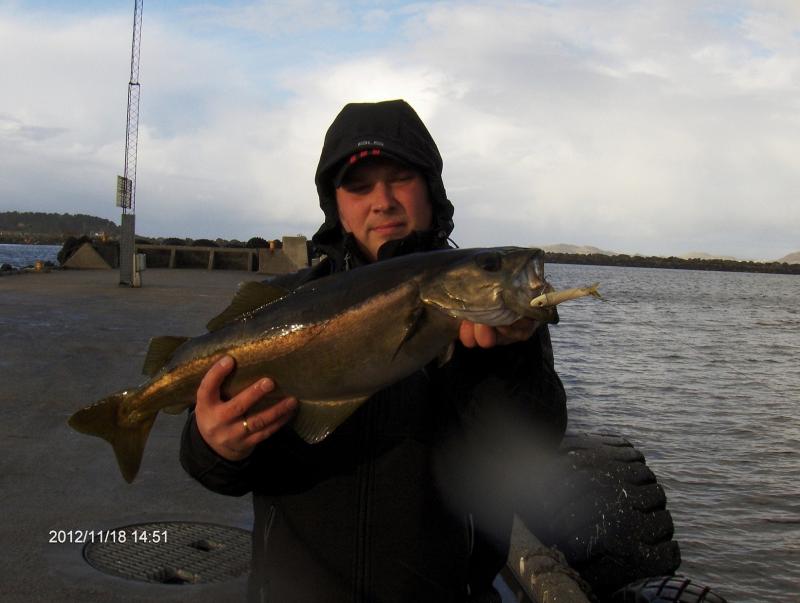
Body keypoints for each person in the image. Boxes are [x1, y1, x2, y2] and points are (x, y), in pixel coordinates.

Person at [180, 99, 567, 602]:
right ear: (336, 206)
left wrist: (499, 363)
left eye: (401, 179)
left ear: (432, 190)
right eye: (359, 187)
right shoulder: (282, 303)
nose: (382, 202)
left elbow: (531, 449)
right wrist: (215, 445)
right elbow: (212, 469)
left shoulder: (504, 320)